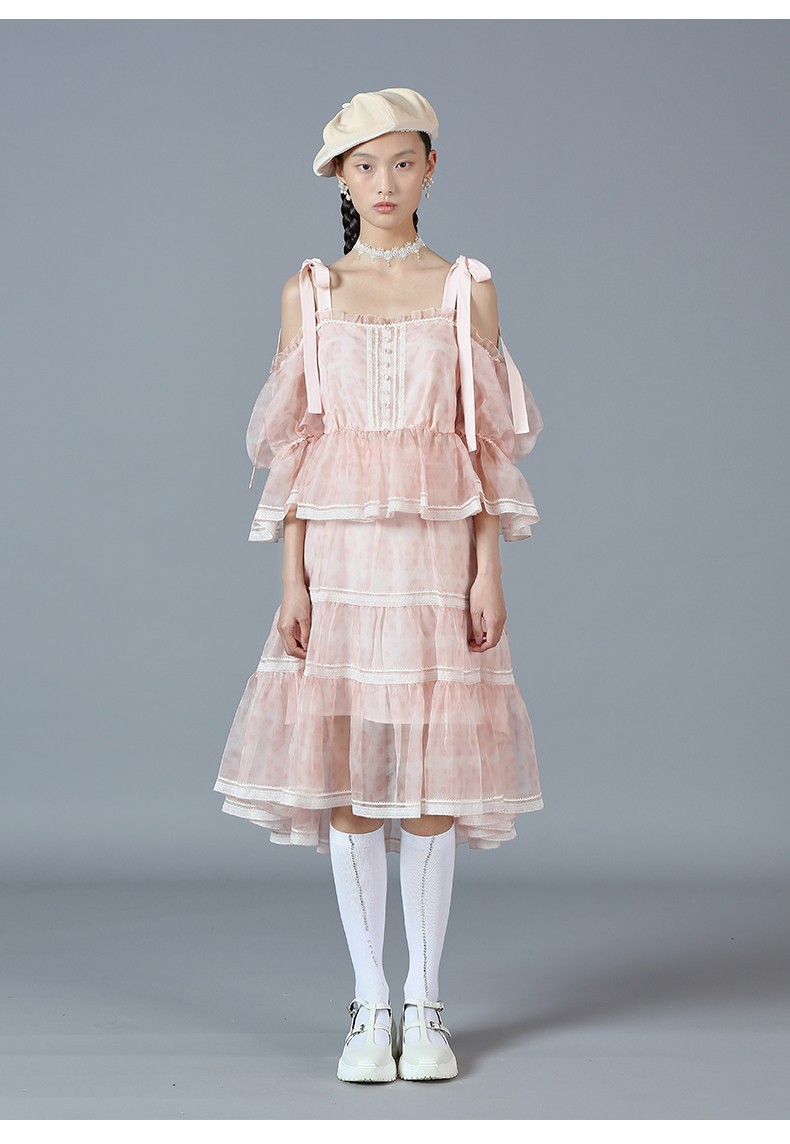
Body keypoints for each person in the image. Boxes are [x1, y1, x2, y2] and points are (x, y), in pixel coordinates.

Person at [213, 87, 545, 1084]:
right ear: (340, 178)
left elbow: (483, 445)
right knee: (352, 786)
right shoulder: (310, 292)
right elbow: (297, 448)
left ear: (431, 169)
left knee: (434, 785)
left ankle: (426, 1008)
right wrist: (292, 581)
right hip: (343, 564)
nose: (385, 182)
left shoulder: (466, 288)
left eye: (403, 161)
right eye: (365, 165)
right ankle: (368, 1006)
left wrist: (489, 571)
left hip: (437, 563)